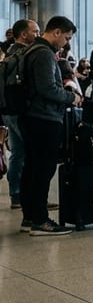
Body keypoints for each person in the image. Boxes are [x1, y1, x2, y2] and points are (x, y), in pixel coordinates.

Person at [18, 15, 82, 236]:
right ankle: (40, 220)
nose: (66, 42)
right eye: (66, 37)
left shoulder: (30, 50)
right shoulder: (44, 54)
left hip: (30, 115)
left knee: (32, 167)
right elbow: (48, 89)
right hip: (43, 118)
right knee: (43, 169)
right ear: (56, 32)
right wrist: (70, 97)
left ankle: (30, 216)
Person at [4, 18, 38, 210]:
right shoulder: (23, 54)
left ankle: (16, 194)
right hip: (19, 110)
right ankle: (29, 195)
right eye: (35, 31)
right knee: (30, 152)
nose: (38, 35)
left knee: (17, 152)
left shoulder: (9, 53)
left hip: (10, 109)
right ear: (24, 34)